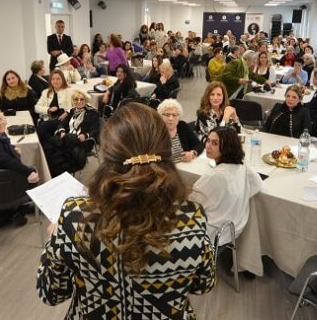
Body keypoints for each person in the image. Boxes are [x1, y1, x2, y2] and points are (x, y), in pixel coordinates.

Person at [37, 103, 216, 317]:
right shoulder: (191, 216)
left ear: (107, 155)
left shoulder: (74, 218)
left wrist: (55, 241)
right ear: (165, 150)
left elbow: (51, 293)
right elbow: (203, 284)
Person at [190, 126, 264, 243]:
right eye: (208, 140)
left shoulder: (214, 176)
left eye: (215, 143)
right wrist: (235, 200)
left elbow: (191, 205)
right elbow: (258, 184)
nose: (208, 146)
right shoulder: (242, 164)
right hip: (235, 227)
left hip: (211, 234)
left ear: (228, 147)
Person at [0, 109, 39, 227]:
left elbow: (2, 152)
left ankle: (6, 214)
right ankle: (19, 211)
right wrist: (28, 172)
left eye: (1, 119)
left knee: (21, 171)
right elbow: (4, 160)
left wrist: (12, 149)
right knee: (32, 173)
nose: (0, 123)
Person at [41, 90, 101, 176]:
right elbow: (62, 123)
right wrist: (62, 131)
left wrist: (85, 135)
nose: (79, 102)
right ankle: (53, 171)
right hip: (68, 139)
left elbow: (95, 130)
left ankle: (56, 170)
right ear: (73, 101)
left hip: (82, 141)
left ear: (86, 100)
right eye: (76, 99)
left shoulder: (93, 113)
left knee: (62, 145)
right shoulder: (72, 111)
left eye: (82, 99)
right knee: (48, 147)